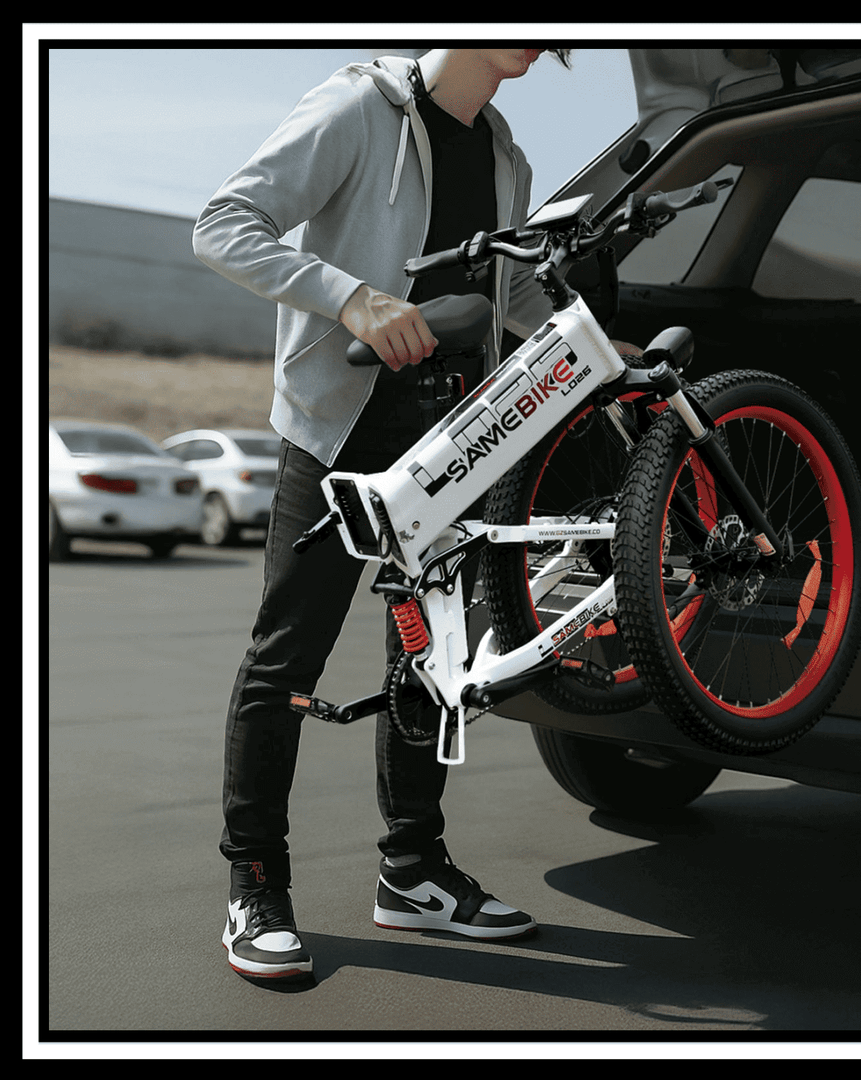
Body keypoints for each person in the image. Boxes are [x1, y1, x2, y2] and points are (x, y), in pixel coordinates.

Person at [193, 48, 572, 982]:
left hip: (447, 445)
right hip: (337, 432)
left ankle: (413, 872)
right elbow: (223, 225)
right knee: (287, 658)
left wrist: (593, 341)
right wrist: (352, 299)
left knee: (428, 659)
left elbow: (512, 292)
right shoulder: (358, 109)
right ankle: (254, 883)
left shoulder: (507, 155)